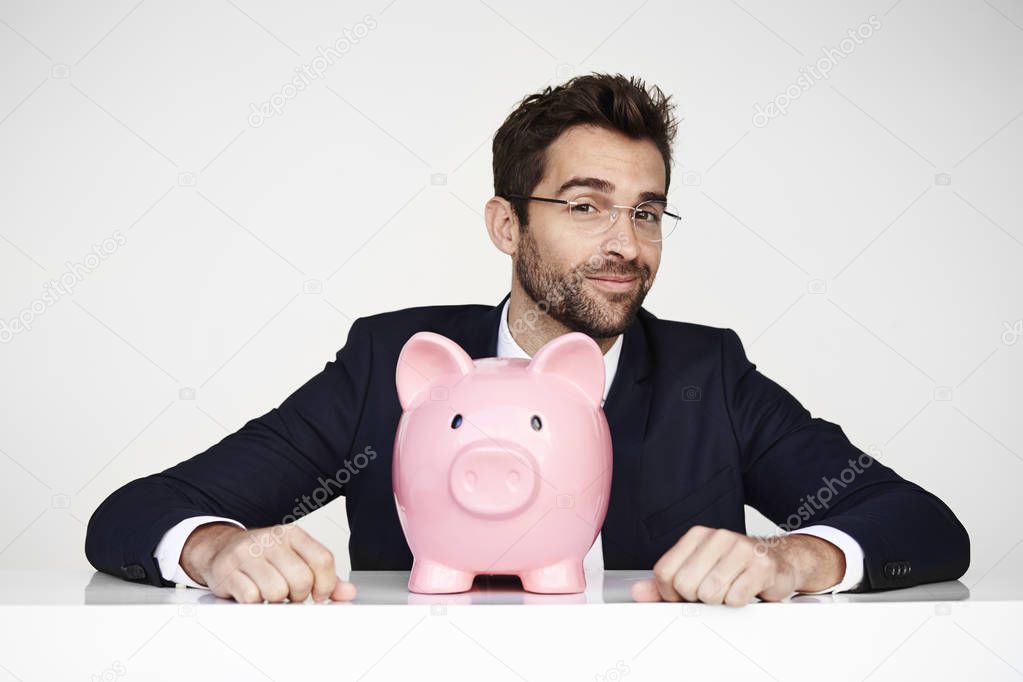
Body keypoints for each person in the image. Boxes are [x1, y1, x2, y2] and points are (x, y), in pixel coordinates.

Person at [86, 73, 969, 606]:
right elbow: (128, 516)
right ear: (506, 225)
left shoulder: (710, 374)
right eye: (585, 207)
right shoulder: (389, 365)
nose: (625, 242)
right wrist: (216, 546)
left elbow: (924, 527)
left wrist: (791, 556)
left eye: (647, 211)